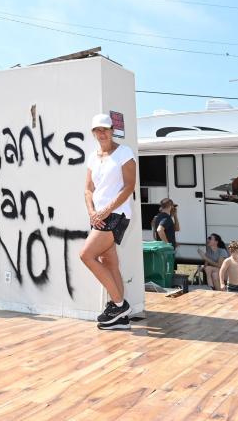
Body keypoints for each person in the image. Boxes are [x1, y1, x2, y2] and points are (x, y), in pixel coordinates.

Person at [79, 113, 137, 331]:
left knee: (86, 255)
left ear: (113, 130)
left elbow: (129, 186)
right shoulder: (93, 157)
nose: (102, 133)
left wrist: (105, 210)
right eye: (97, 130)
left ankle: (120, 305)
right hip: (98, 216)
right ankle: (121, 320)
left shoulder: (124, 152)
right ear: (93, 133)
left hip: (116, 214)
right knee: (109, 262)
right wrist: (92, 211)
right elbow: (88, 189)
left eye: (105, 129)